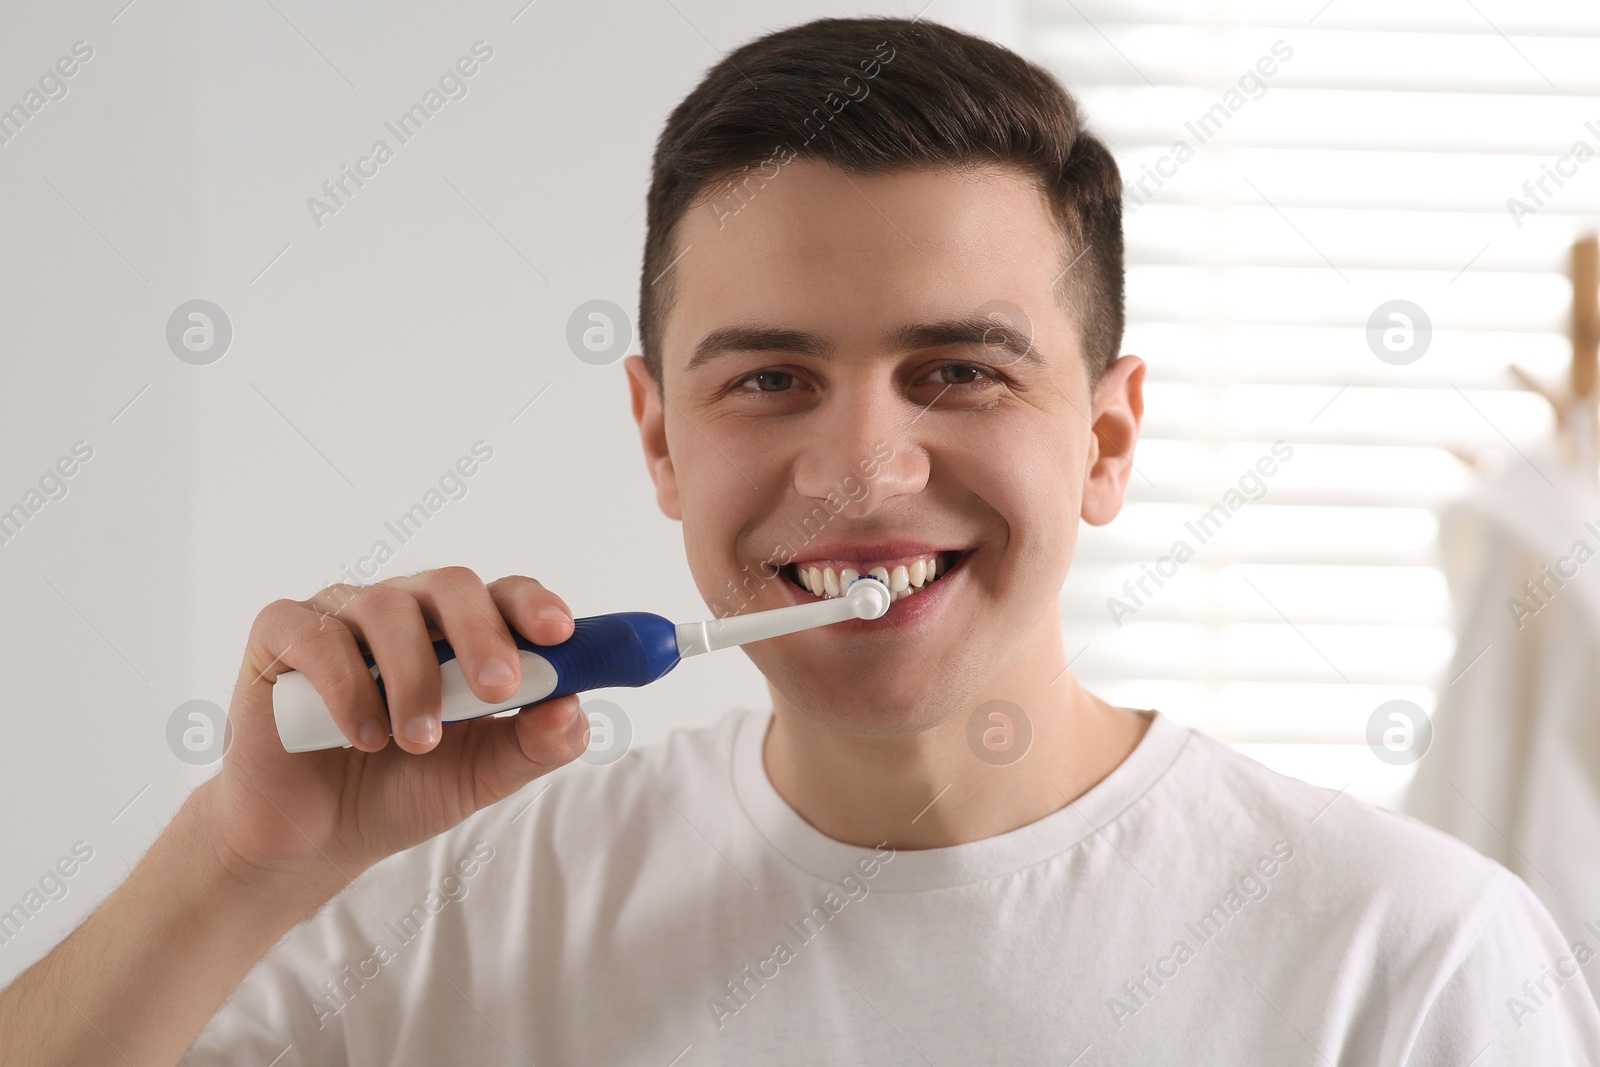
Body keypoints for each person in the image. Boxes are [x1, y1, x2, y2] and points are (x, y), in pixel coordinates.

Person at [4, 16, 1597, 1066]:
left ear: (1106, 440)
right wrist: (234, 867)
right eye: (771, 378)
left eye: (957, 371)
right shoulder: (433, 924)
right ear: (658, 442)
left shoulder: (1413, 968)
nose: (858, 467)